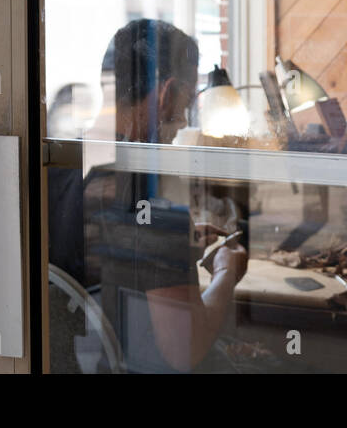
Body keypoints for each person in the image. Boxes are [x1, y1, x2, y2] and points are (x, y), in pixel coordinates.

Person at [82, 19, 247, 372]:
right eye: (187, 102)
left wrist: (178, 251)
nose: (185, 122)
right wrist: (226, 273)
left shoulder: (61, 170)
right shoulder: (151, 204)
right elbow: (186, 348)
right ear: (167, 93)